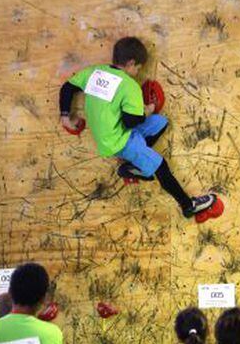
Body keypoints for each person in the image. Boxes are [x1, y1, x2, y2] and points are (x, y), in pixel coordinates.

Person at [59, 36, 216, 218]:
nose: (138, 71)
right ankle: (188, 206)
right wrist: (146, 111)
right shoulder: (129, 86)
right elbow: (130, 122)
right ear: (131, 63)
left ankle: (133, 165)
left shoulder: (95, 72)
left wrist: (65, 116)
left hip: (108, 135)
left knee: (160, 122)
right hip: (119, 142)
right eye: (139, 68)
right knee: (160, 165)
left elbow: (67, 88)